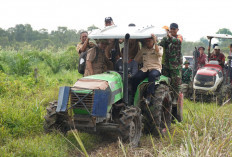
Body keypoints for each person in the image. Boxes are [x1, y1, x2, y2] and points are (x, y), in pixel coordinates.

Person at [133, 34, 163, 102]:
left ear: (153, 41)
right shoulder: (143, 49)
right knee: (136, 77)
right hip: (145, 69)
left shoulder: (159, 48)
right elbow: (136, 60)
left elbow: (159, 54)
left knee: (152, 75)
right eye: (146, 41)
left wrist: (155, 42)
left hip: (155, 68)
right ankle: (135, 94)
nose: (147, 42)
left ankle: (149, 95)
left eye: (149, 41)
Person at [159, 23, 183, 104]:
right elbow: (160, 45)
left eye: (174, 29)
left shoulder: (179, 37)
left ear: (177, 30)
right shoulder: (166, 38)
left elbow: (178, 42)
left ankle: (176, 98)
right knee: (166, 82)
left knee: (176, 83)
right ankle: (167, 97)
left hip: (176, 65)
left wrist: (170, 37)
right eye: (171, 29)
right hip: (166, 65)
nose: (172, 30)